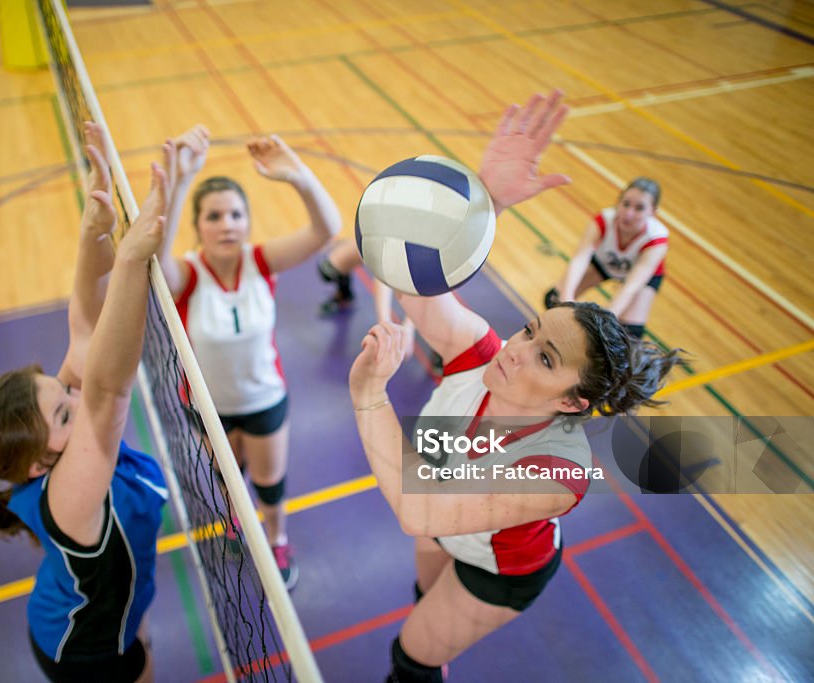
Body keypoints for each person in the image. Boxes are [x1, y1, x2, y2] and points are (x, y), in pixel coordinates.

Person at [347, 92, 682, 683]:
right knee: (424, 601)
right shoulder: (480, 353)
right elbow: (413, 284)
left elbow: (415, 504)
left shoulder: (554, 472)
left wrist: (370, 396)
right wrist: (487, 201)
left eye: (545, 357)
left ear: (573, 401)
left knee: (412, 655)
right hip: (444, 518)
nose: (515, 351)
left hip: (498, 567)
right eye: (529, 330)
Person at [0, 122, 170, 682]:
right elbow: (108, 390)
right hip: (84, 652)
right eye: (63, 411)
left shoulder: (55, 452)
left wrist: (94, 236)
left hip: (111, 611)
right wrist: (130, 263)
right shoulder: (67, 498)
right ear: (35, 464)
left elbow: (85, 331)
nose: (73, 392)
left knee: (137, 637)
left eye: (60, 389)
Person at [158, 125, 342, 589]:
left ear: (247, 221)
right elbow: (155, 265)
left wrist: (297, 175)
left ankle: (277, 539)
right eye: (214, 216)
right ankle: (236, 525)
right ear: (198, 225)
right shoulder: (187, 275)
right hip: (208, 407)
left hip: (263, 399)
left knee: (269, 484)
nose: (226, 225)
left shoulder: (261, 262)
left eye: (236, 215)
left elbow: (327, 230)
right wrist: (180, 182)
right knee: (227, 483)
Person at [544, 177, 668, 339]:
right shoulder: (604, 220)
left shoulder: (656, 240)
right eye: (626, 204)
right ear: (618, 202)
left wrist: (606, 321)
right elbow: (580, 259)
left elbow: (631, 287)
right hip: (605, 263)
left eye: (639, 208)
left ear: (653, 212)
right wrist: (567, 300)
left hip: (639, 278)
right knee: (554, 299)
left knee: (629, 335)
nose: (629, 213)